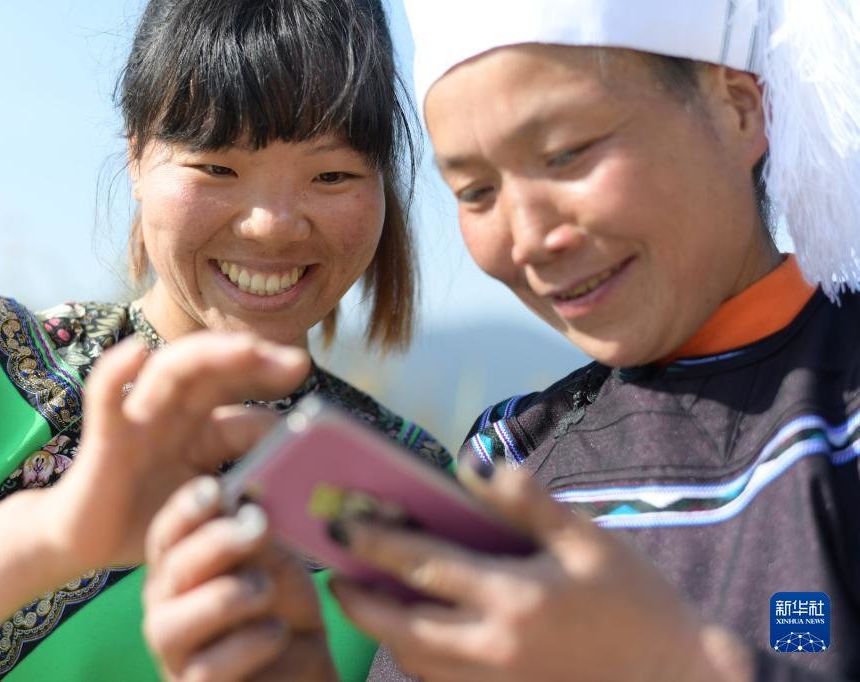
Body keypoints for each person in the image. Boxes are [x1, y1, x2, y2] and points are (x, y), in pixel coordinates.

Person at [144, 0, 860, 680]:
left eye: (567, 154)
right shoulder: (510, 457)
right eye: (475, 191)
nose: (527, 238)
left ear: (738, 109)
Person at [0, 1, 451, 680]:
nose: (271, 226)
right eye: (217, 168)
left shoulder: (416, 494)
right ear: (135, 155)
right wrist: (49, 535)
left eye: (330, 175)